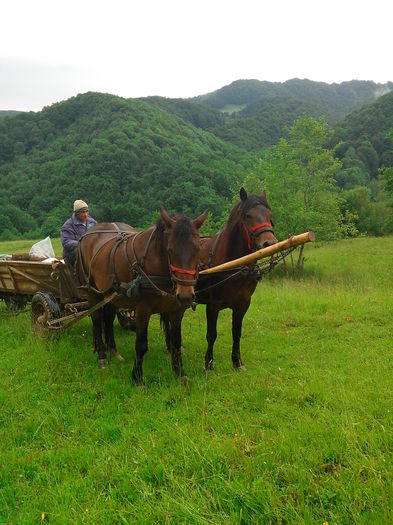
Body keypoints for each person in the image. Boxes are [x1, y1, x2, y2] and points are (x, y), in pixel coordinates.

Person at [61, 199, 97, 266]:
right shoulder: (68, 226)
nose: (86, 215)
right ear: (77, 213)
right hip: (72, 256)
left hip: (90, 250)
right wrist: (83, 244)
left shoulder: (92, 222)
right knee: (84, 253)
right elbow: (66, 242)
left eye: (87, 211)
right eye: (83, 212)